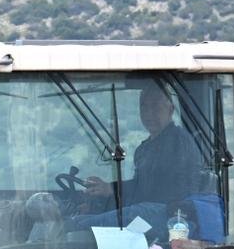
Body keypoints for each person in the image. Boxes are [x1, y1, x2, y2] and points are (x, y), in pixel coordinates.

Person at [77, 84, 205, 233]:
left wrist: (111, 189)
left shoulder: (179, 141)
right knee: (83, 220)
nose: (149, 114)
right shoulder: (143, 149)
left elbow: (154, 189)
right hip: (144, 212)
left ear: (170, 110)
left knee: (79, 226)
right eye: (144, 107)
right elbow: (138, 190)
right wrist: (100, 201)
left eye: (156, 107)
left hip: (169, 216)